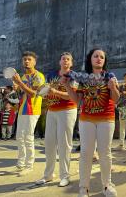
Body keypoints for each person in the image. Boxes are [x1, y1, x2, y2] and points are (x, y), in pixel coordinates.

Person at [62, 48, 119, 197]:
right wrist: (67, 86)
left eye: (102, 57)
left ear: (105, 61)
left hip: (106, 119)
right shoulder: (84, 78)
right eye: (96, 56)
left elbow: (116, 99)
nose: (99, 59)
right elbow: (77, 100)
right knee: (86, 153)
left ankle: (107, 185)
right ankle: (83, 187)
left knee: (105, 152)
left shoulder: (109, 76)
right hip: (87, 119)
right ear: (90, 59)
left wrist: (113, 88)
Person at [35, 52, 77, 187]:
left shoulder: (73, 76)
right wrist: (42, 93)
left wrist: (55, 92)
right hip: (51, 111)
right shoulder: (51, 75)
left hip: (67, 111)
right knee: (49, 143)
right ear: (60, 61)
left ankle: (65, 176)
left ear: (71, 63)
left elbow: (71, 96)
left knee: (65, 144)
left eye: (68, 60)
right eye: (63, 59)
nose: (65, 61)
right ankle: (48, 175)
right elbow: (46, 91)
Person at [12, 51, 45, 175]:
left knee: (28, 137)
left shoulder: (39, 76)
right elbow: (21, 95)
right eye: (24, 59)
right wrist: (17, 89)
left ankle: (29, 165)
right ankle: (21, 163)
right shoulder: (23, 77)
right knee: (19, 137)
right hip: (22, 109)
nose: (26, 61)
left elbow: (33, 94)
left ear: (34, 62)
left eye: (29, 59)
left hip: (33, 110)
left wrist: (20, 83)